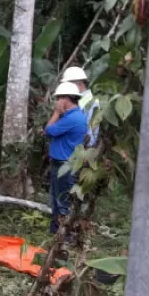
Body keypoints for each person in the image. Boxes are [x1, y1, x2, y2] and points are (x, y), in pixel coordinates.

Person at [44, 82, 89, 235]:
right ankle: (55, 234)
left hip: (65, 165)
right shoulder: (71, 116)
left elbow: (49, 130)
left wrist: (56, 113)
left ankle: (64, 239)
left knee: (63, 203)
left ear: (66, 99)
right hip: (60, 164)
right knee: (57, 201)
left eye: (58, 98)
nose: (56, 102)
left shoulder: (72, 118)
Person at [60, 66, 100, 148]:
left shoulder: (90, 102)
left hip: (83, 149)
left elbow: (89, 132)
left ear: (79, 84)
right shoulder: (79, 100)